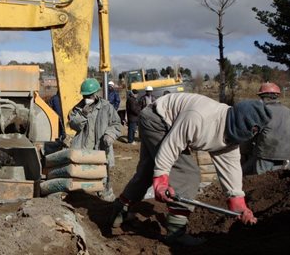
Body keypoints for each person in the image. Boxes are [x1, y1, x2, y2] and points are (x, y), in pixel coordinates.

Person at [110, 93, 271, 246]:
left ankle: (119, 210)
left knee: (147, 172)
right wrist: (161, 180)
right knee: (188, 173)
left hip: (166, 120)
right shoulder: (200, 118)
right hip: (157, 119)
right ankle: (176, 232)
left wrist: (238, 202)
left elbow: (231, 168)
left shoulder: (232, 137)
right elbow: (171, 146)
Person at [68, 78, 121, 201]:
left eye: (90, 95)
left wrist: (110, 135)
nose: (87, 97)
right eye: (85, 95)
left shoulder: (106, 107)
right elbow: (73, 125)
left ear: (96, 94)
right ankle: (82, 197)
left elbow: (116, 124)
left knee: (103, 172)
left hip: (101, 147)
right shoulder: (78, 109)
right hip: (84, 147)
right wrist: (83, 115)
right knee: (83, 172)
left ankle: (105, 196)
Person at [241, 83, 290, 175]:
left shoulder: (261, 112)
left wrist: (243, 152)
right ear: (277, 96)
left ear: (262, 97)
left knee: (261, 183)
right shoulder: (288, 111)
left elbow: (249, 135)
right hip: (286, 156)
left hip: (266, 155)